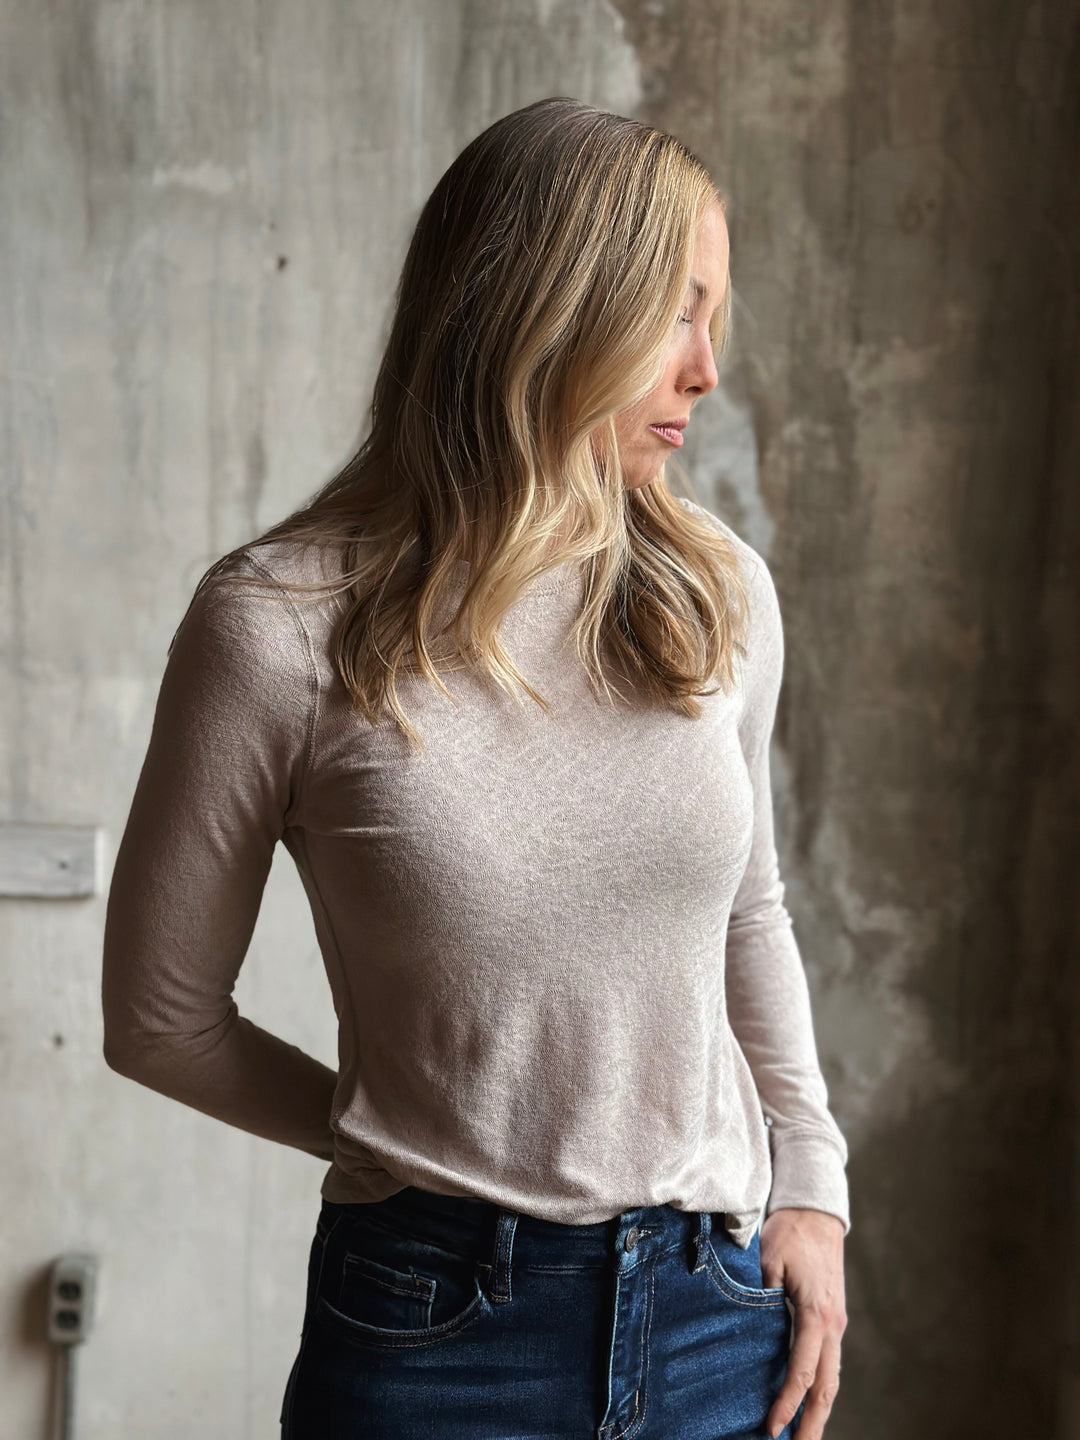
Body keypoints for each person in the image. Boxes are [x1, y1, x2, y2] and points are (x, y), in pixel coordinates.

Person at [101, 97, 849, 1440]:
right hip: (434, 1335)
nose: (707, 370)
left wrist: (814, 1193)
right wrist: (397, 1141)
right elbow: (161, 1019)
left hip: (717, 1317)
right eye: (677, 311)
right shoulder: (276, 624)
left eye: (713, 317)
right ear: (550, 308)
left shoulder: (718, 590)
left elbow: (753, 910)